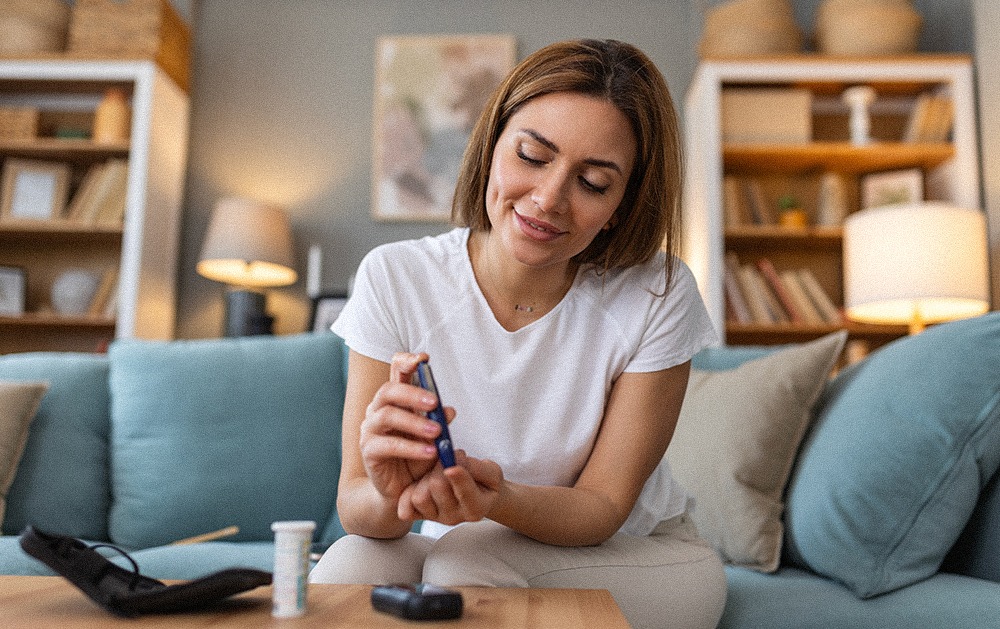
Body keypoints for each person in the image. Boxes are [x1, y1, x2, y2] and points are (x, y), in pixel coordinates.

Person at [310, 39, 727, 628]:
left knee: (467, 558)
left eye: (594, 182)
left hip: (636, 555)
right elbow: (361, 511)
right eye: (532, 155)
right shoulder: (396, 276)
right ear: (493, 142)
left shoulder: (657, 292)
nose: (548, 199)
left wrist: (495, 499)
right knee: (346, 565)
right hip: (467, 548)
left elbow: (601, 508)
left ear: (624, 202)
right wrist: (388, 489)